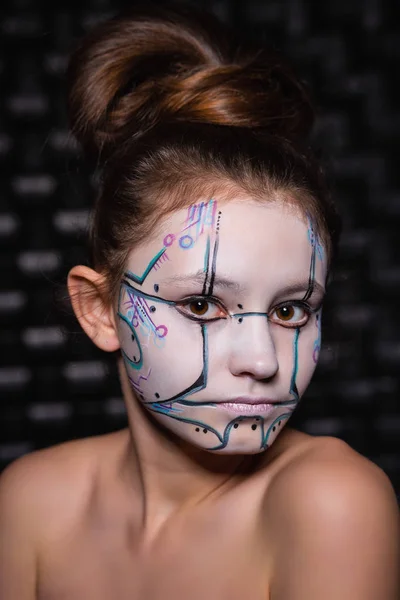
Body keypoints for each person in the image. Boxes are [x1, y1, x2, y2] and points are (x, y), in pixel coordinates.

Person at [0, 3, 399, 599]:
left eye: (291, 311)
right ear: (100, 309)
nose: (263, 361)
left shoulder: (329, 502)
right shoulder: (30, 501)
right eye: (203, 305)